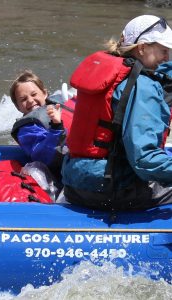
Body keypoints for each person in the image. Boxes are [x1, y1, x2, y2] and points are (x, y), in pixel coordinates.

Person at [62, 15, 172, 211]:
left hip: (75, 182)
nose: (167, 58)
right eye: (164, 51)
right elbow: (145, 160)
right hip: (113, 189)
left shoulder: (108, 70)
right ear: (142, 48)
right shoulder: (143, 86)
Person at [10, 70, 75, 182]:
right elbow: (43, 156)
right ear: (18, 107)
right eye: (23, 99)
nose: (30, 100)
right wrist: (56, 127)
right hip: (62, 174)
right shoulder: (27, 128)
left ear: (45, 94)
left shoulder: (60, 102)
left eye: (34, 94)